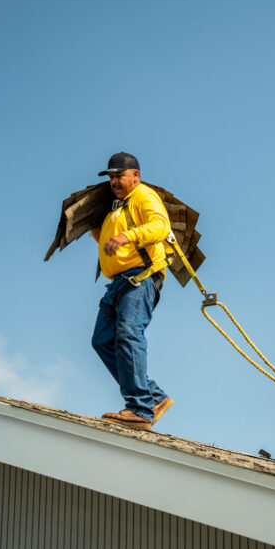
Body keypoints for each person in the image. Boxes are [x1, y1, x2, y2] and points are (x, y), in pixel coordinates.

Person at [90, 152, 174, 431]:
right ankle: (155, 398)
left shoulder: (143, 195)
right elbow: (111, 239)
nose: (114, 181)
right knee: (102, 340)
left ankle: (140, 408)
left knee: (128, 334)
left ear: (135, 176)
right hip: (118, 283)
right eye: (111, 177)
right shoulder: (119, 206)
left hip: (140, 278)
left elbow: (160, 226)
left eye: (119, 176)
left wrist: (126, 236)